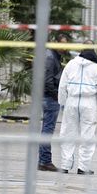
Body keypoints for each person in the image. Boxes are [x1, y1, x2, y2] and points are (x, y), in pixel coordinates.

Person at [58, 47, 97, 175]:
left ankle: (64, 165)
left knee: (67, 133)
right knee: (88, 135)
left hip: (71, 101)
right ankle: (83, 168)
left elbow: (62, 85)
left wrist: (62, 102)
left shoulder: (71, 64)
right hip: (89, 103)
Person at [38, 34, 68, 172]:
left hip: (49, 96)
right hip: (50, 98)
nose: (64, 47)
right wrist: (56, 95)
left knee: (47, 129)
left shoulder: (53, 55)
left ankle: (43, 160)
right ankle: (45, 161)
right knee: (47, 130)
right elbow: (47, 80)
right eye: (62, 44)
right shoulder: (50, 57)